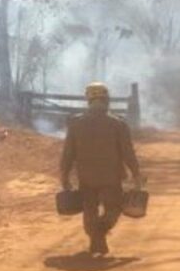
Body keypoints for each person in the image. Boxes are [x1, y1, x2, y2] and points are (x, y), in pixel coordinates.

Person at [60, 82, 142, 256]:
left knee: (89, 209)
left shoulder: (76, 124)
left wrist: (64, 176)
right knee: (114, 208)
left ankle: (95, 239)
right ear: (106, 99)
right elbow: (128, 153)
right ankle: (100, 233)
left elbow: (68, 153)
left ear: (88, 99)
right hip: (111, 177)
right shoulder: (118, 124)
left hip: (86, 176)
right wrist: (136, 174)